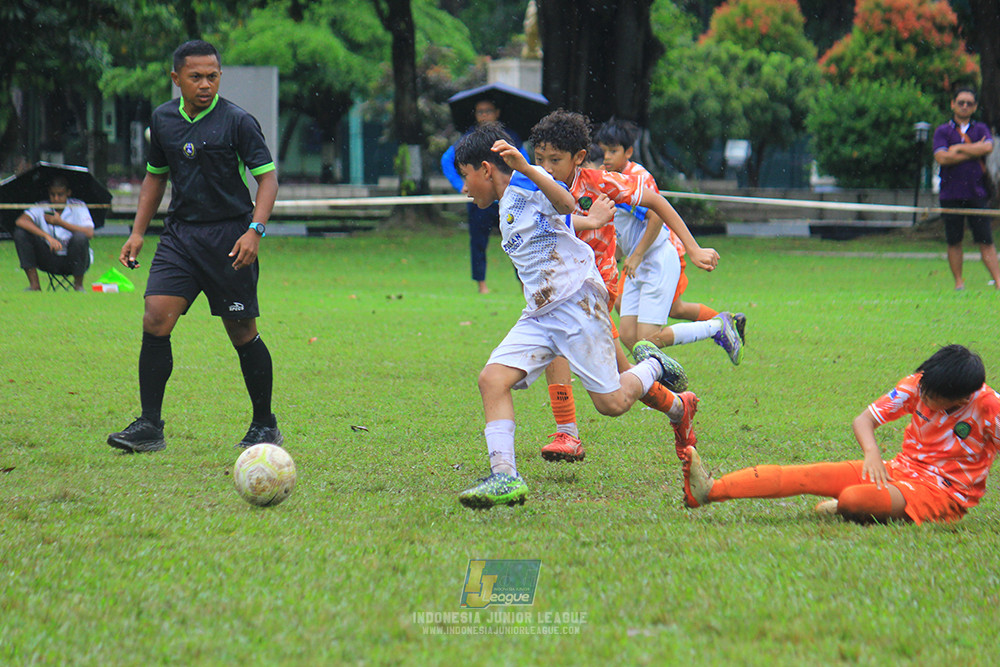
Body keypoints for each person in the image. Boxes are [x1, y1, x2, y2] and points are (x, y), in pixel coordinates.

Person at [452, 121, 692, 508]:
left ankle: (653, 368)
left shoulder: (526, 182)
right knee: (491, 380)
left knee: (611, 404)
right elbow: (564, 219)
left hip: (578, 302)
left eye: (465, 177)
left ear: (485, 168)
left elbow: (564, 201)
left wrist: (529, 169)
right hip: (542, 312)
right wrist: (592, 221)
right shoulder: (507, 206)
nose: (463, 188)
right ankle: (505, 477)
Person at [528, 110, 733, 463]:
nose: (545, 168)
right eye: (539, 159)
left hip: (594, 288)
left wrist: (694, 247)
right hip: (560, 286)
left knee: (577, 364)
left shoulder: (599, 182)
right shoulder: (533, 186)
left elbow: (655, 202)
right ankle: (676, 405)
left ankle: (569, 432)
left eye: (555, 160)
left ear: (578, 159)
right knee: (621, 377)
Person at [106, 39, 281, 453]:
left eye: (213, 76)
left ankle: (264, 423)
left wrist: (254, 230)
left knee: (242, 331)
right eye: (196, 77)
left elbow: (268, 179)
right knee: (155, 318)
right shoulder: (163, 120)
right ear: (176, 78)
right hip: (180, 236)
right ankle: (150, 425)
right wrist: (136, 232)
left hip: (230, 237)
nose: (205, 84)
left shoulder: (238, 121)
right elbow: (155, 176)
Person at [682, 344, 1000, 525]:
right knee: (807, 475)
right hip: (898, 470)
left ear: (961, 399)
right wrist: (872, 454)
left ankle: (852, 507)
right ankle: (709, 490)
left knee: (852, 498)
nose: (923, 397)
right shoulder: (920, 384)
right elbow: (864, 420)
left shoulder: (988, 407)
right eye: (924, 388)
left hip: (940, 493)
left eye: (932, 398)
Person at [593, 118, 743, 356]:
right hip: (637, 262)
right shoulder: (602, 180)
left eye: (613, 151)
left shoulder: (634, 178)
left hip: (657, 258)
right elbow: (621, 231)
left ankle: (717, 326)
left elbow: (657, 216)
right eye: (603, 152)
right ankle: (656, 381)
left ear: (629, 152)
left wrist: (640, 254)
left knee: (649, 336)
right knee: (630, 335)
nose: (606, 158)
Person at [441, 97, 527, 294]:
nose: (485, 115)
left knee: (518, 239)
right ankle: (481, 284)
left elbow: (525, 163)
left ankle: (524, 282)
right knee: (478, 241)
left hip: (507, 197)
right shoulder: (468, 139)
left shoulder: (511, 137)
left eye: (488, 110)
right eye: (480, 112)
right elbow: (447, 160)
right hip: (481, 201)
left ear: (497, 112)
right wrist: (461, 184)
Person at [932, 86, 1000, 291]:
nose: (964, 106)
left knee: (986, 239)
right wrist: (973, 150)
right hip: (950, 194)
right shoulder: (943, 131)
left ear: (975, 107)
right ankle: (959, 283)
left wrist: (959, 148)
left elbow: (988, 147)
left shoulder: (981, 129)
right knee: (954, 240)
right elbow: (942, 157)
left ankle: (998, 281)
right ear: (953, 104)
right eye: (960, 102)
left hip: (977, 193)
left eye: (969, 103)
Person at [13, 175, 94, 291]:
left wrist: (60, 223)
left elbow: (89, 233)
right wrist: (46, 236)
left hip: (73, 259)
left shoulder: (78, 206)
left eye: (60, 195)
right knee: (21, 233)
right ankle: (34, 285)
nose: (56, 198)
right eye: (52, 194)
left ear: (68, 193)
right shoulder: (42, 206)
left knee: (80, 238)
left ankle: (79, 286)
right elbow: (21, 221)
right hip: (49, 257)